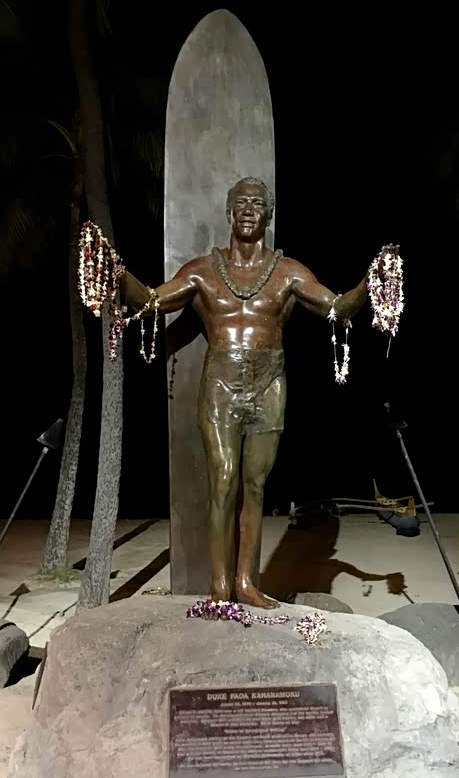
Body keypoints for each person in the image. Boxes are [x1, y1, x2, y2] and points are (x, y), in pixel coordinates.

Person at [119, 177, 372, 608]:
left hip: (269, 381)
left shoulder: (289, 272)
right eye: (241, 203)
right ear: (229, 212)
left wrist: (371, 283)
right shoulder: (202, 271)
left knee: (255, 485)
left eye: (257, 203)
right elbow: (150, 302)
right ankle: (219, 587)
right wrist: (117, 274)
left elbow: (336, 307)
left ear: (268, 214)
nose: (249, 209)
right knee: (223, 480)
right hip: (220, 381)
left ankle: (245, 584)